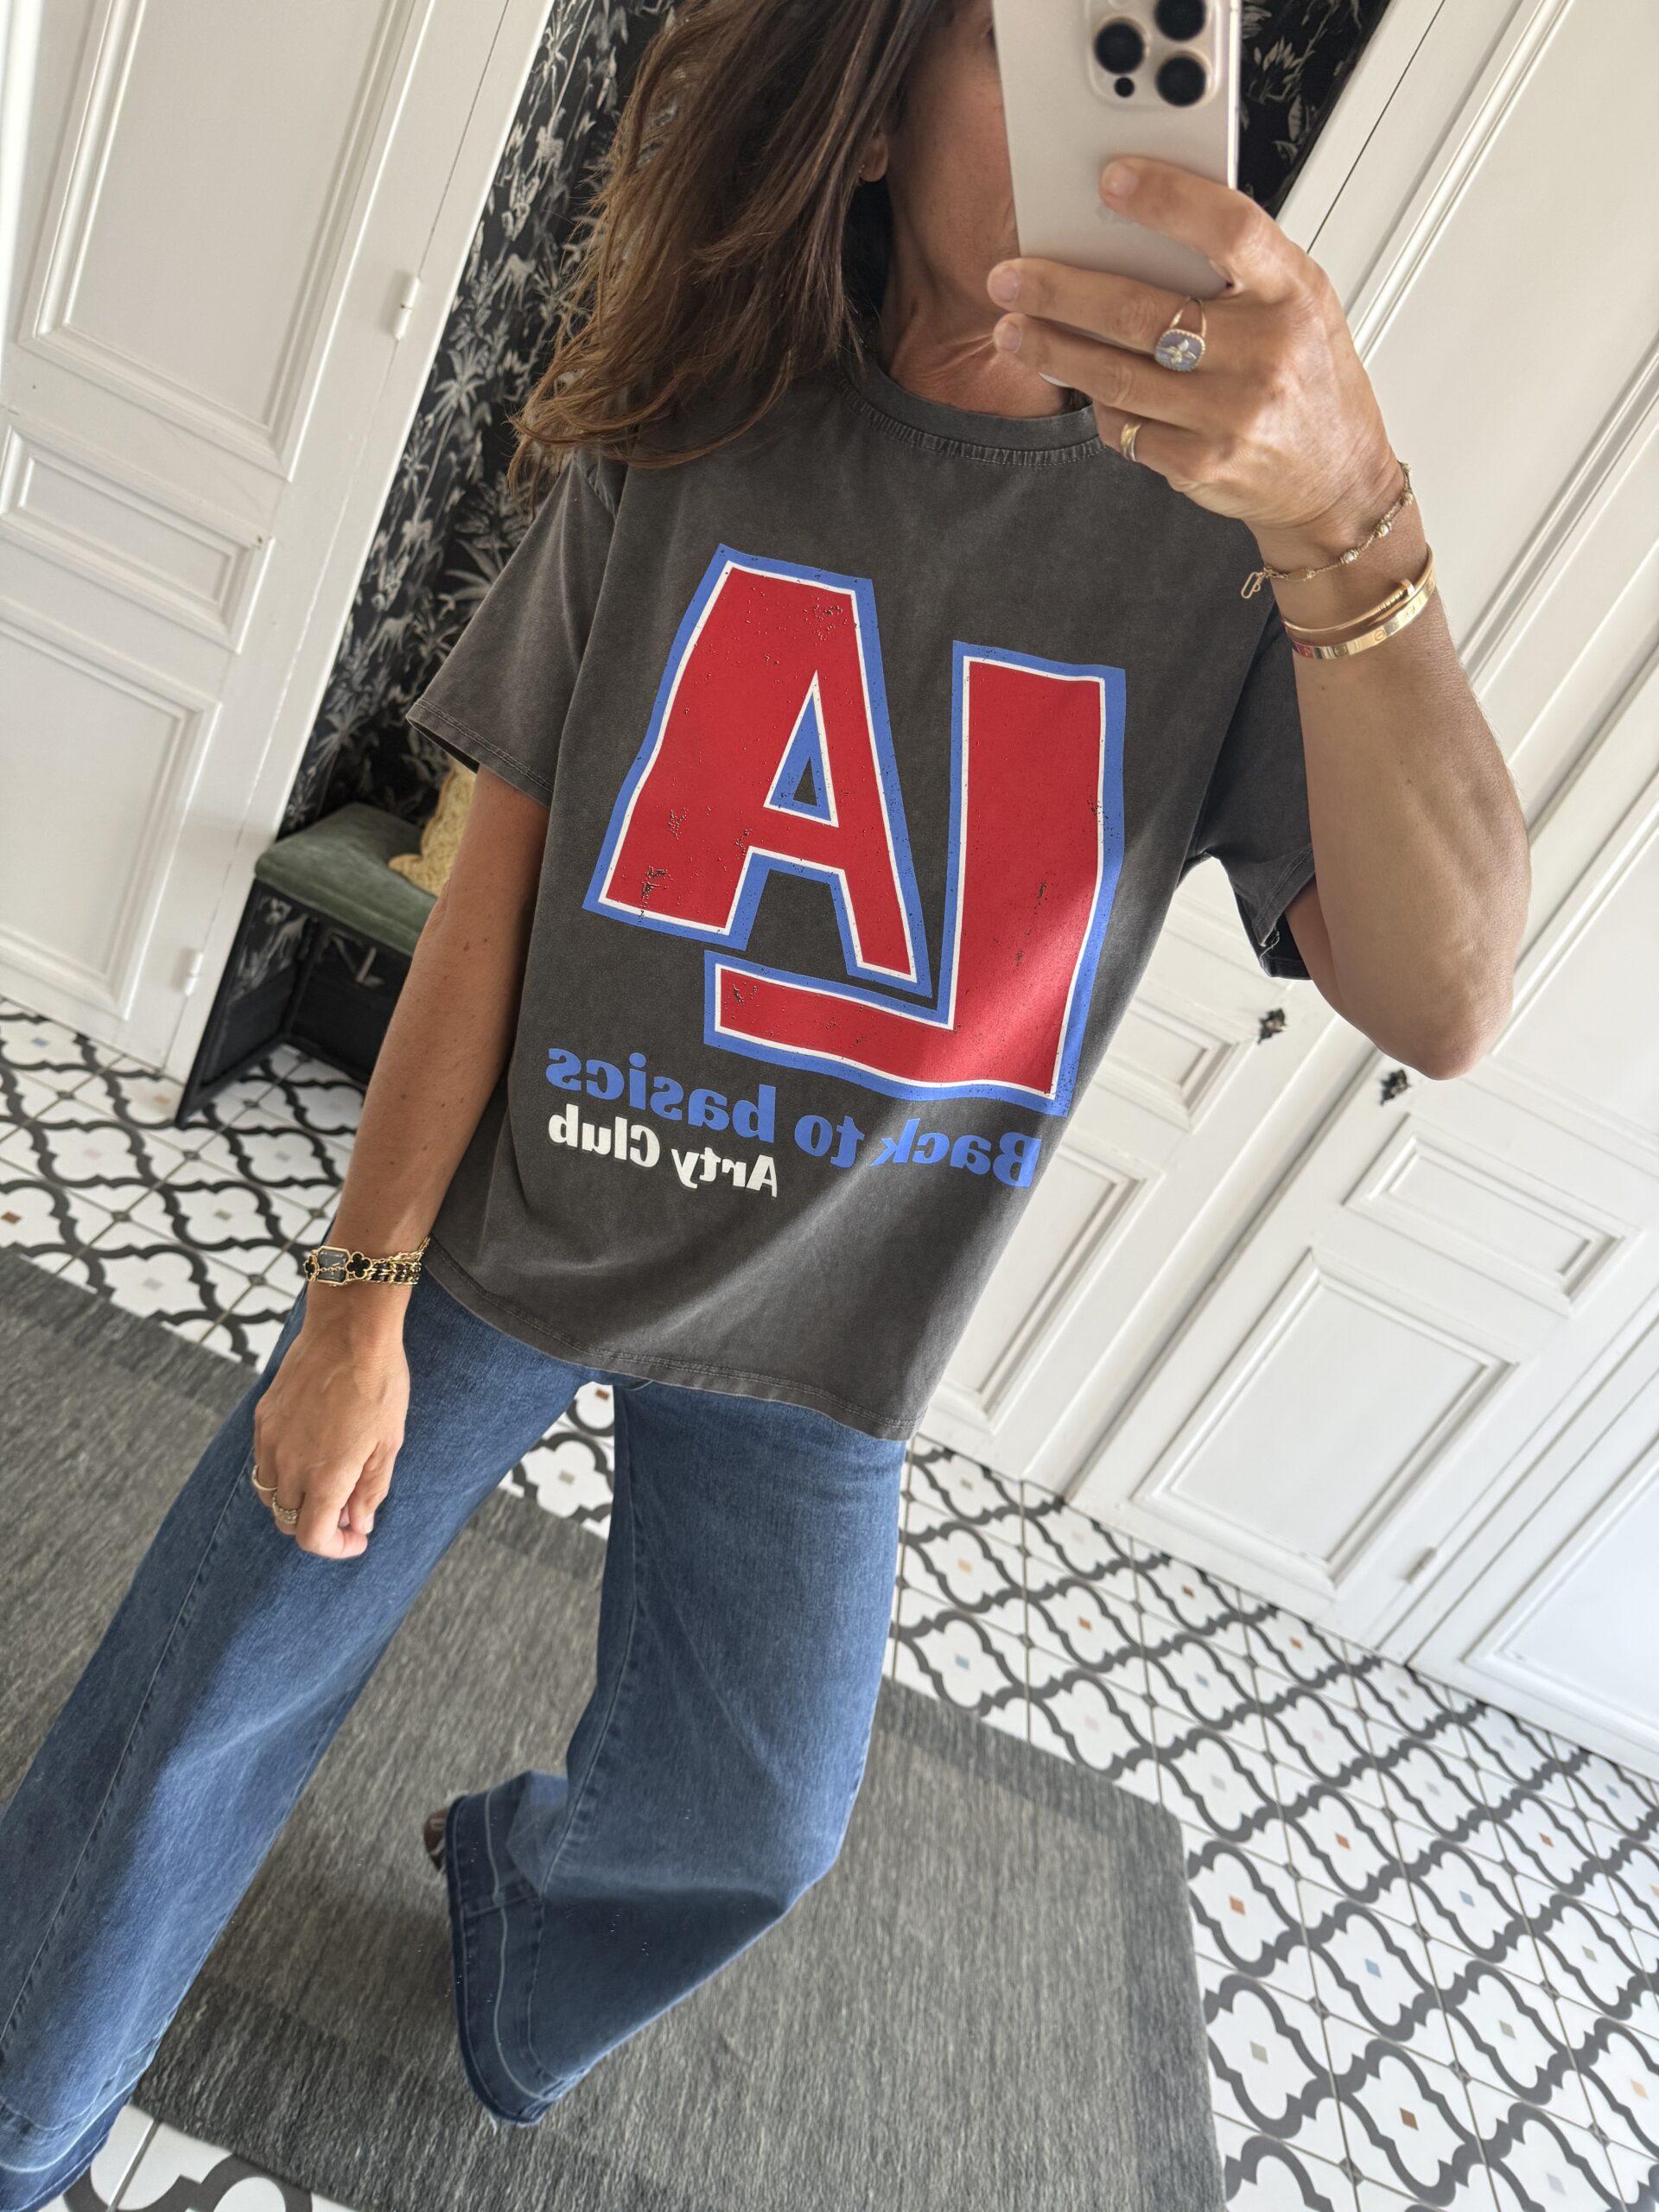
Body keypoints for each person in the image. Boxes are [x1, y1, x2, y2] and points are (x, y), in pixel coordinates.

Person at [0, 0, 1529, 2201]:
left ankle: (517, 1921)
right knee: (202, 1679)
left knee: (758, 1819)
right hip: (519, 1223)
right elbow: (490, 905)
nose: (1113, 118)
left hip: (828, 1322)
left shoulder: (1232, 546)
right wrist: (353, 1305)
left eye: (1149, 41)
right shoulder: (689, 431)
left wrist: (1355, 514)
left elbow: (1448, 1000)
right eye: (1033, 37)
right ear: (877, 109)